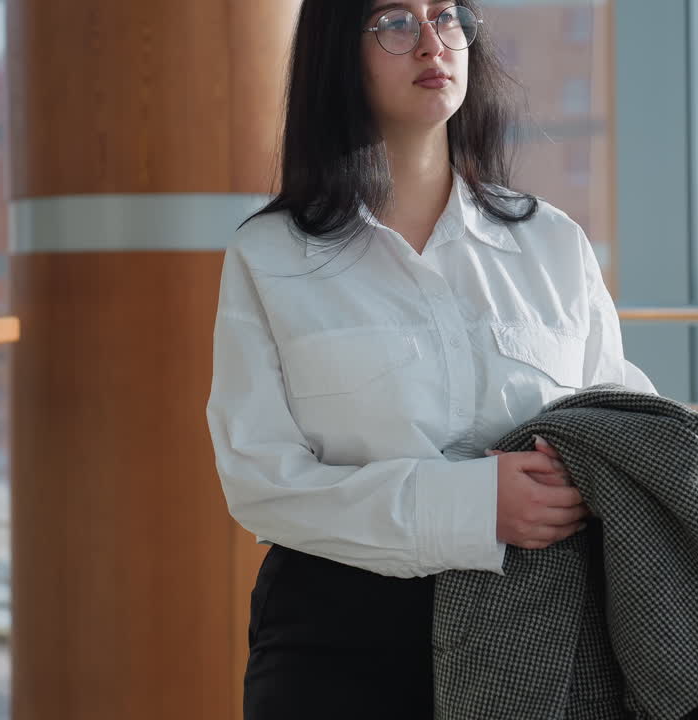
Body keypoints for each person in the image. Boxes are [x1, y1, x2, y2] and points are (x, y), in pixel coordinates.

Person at [205, 1, 657, 718]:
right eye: (395, 21)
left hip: (534, 639)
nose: (431, 42)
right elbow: (260, 481)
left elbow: (619, 428)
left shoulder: (553, 245)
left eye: (447, 16)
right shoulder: (271, 256)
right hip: (336, 638)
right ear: (338, 53)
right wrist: (477, 505)